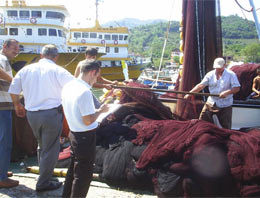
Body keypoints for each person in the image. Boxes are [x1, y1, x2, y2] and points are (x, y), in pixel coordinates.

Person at [9, 44, 74, 192]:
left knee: (41, 145)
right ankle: (43, 183)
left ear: (41, 55)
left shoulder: (25, 70)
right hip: (51, 114)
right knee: (51, 148)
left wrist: (17, 105)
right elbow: (74, 88)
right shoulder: (58, 70)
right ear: (56, 57)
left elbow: (13, 89)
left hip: (32, 114)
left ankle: (45, 174)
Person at [61, 60, 109, 197]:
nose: (95, 80)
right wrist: (101, 110)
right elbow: (88, 120)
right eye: (96, 76)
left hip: (73, 132)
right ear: (93, 72)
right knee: (83, 175)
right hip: (85, 136)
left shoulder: (68, 86)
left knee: (73, 170)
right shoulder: (84, 92)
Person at [184, 57, 240, 129]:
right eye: (216, 68)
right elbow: (201, 85)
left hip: (225, 104)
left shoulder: (231, 75)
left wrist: (227, 92)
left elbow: (237, 88)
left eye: (219, 68)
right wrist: (190, 93)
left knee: (225, 127)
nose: (217, 69)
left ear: (224, 65)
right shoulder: (210, 74)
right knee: (201, 122)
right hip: (211, 102)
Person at [0, 39, 20, 188]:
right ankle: (1, 177)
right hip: (2, 107)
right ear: (4, 47)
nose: (17, 51)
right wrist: (14, 81)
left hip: (5, 106)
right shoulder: (2, 59)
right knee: (4, 142)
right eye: (14, 48)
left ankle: (2, 171)